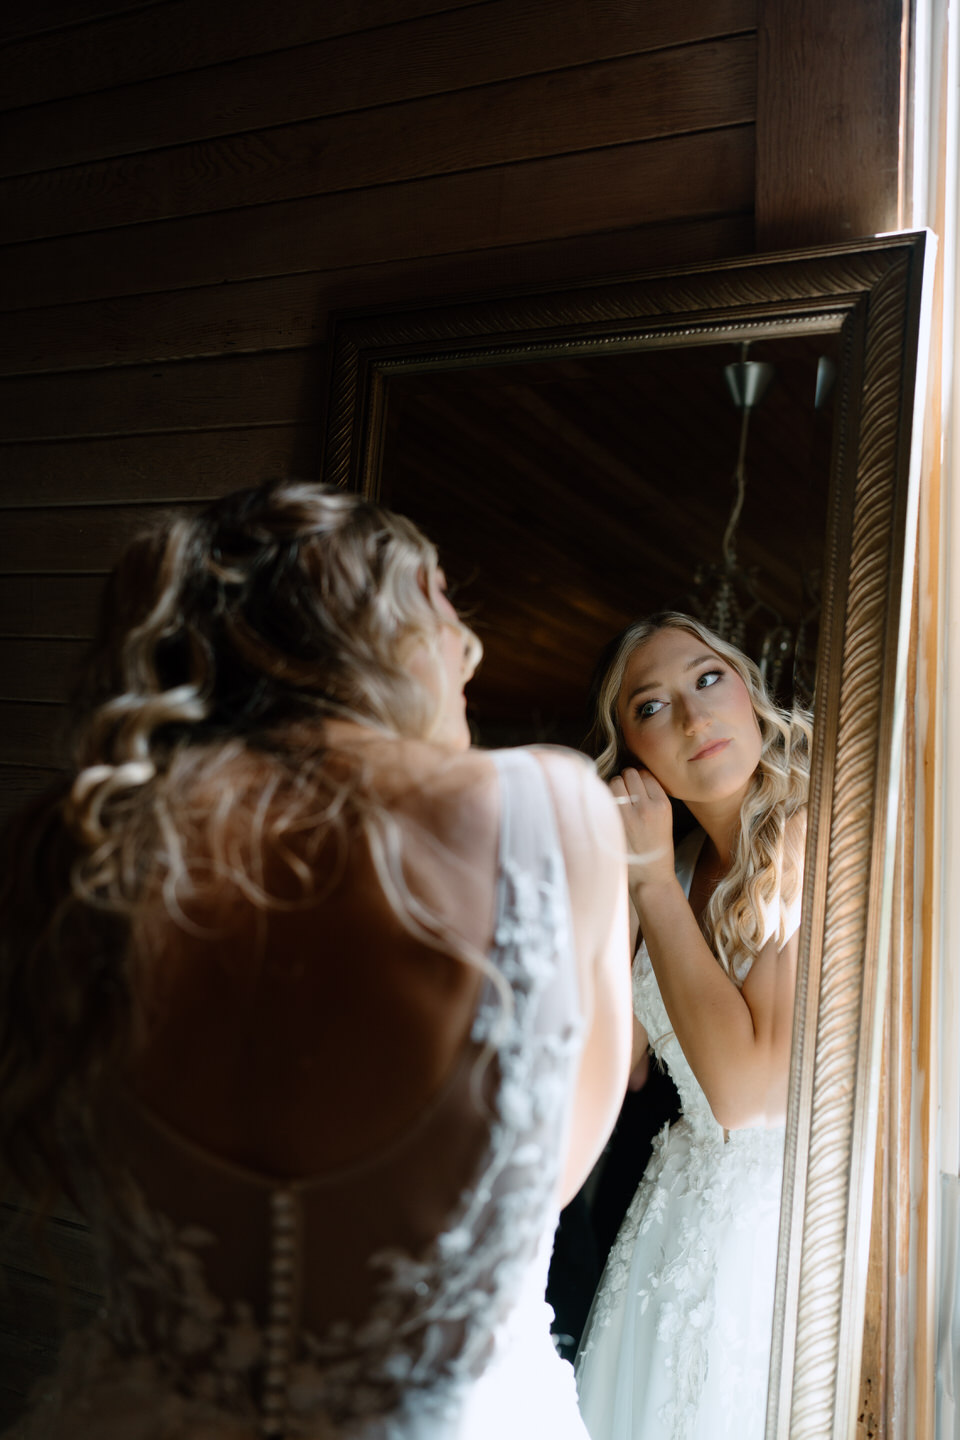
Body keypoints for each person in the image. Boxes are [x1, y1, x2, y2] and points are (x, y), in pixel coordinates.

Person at [0, 479, 633, 1440]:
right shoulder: (548, 810)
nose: (471, 648)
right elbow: (542, 1175)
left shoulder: (83, 841)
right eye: (449, 601)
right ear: (401, 605)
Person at [575, 612, 810, 1440]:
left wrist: (649, 889)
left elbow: (746, 1098)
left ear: (750, 693)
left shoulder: (803, 839)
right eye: (651, 706)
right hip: (672, 1228)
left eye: (708, 679)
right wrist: (614, 881)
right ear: (634, 758)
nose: (692, 716)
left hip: (778, 1236)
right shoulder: (669, 865)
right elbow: (621, 1068)